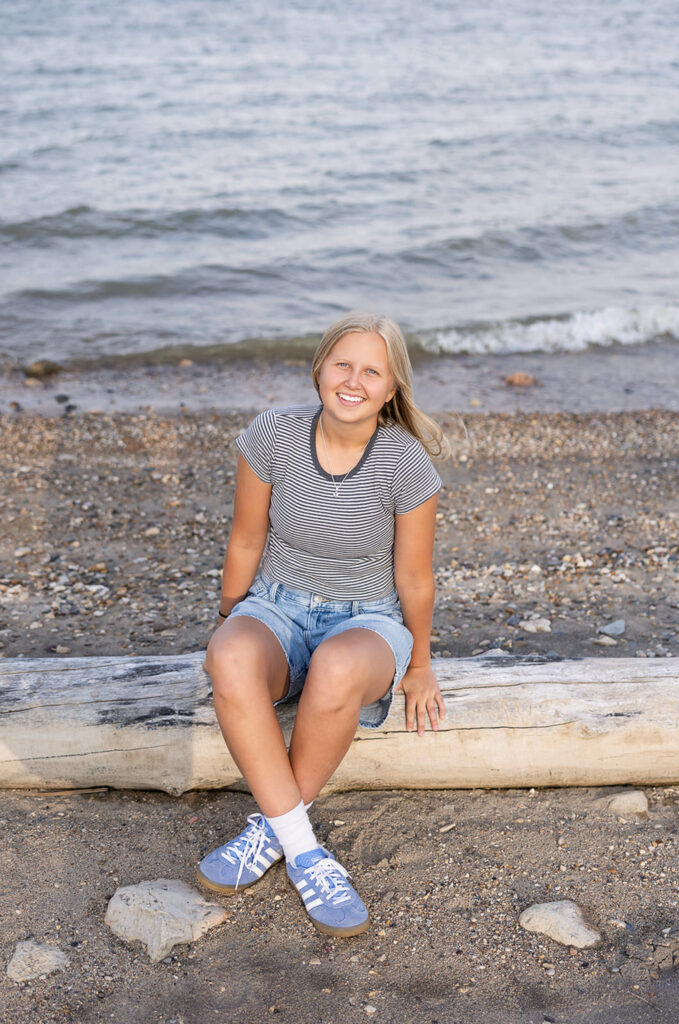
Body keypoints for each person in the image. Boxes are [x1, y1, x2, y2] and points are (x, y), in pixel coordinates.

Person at [197, 311, 449, 937]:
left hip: (367, 622)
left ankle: (280, 838)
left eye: (372, 370)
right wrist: (231, 621)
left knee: (336, 667)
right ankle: (304, 847)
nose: (353, 380)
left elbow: (415, 578)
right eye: (342, 364)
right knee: (229, 657)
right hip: (276, 607)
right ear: (319, 370)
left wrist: (418, 666)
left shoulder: (405, 461)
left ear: (392, 389)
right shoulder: (272, 435)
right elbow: (246, 540)